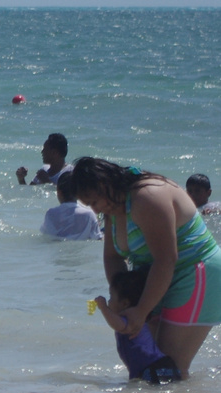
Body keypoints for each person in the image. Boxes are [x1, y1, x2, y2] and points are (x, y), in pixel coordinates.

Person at [73, 157, 221, 378]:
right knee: (148, 363)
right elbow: (112, 257)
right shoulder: (114, 207)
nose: (94, 211)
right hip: (158, 279)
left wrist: (141, 311)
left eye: (94, 202)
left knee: (169, 369)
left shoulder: (147, 197)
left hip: (195, 272)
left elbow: (166, 259)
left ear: (105, 186)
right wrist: (123, 301)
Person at [92, 266, 181, 385]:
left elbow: (118, 325)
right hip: (155, 367)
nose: (109, 301)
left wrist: (103, 307)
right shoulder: (137, 319)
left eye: (111, 297)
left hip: (154, 368)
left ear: (124, 303)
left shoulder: (130, 321)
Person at [43, 170, 102, 241]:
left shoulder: (51, 213)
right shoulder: (89, 214)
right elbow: (98, 238)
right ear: (78, 193)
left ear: (59, 192)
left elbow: (47, 237)